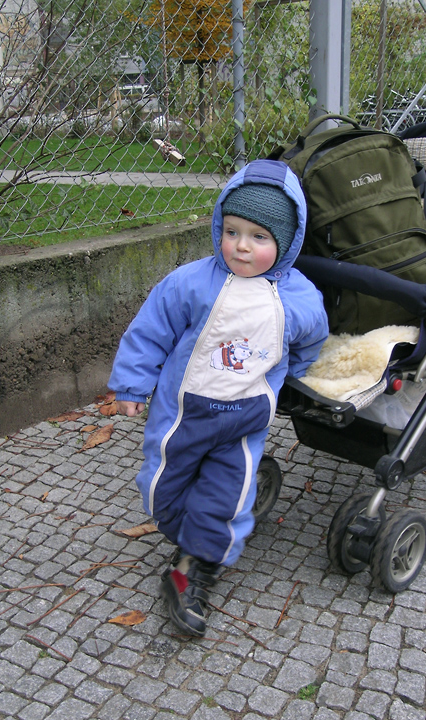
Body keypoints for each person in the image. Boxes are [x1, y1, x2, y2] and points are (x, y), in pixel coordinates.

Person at [108, 158, 329, 636]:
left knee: (225, 497)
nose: (241, 246)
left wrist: (297, 373)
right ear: (218, 227)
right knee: (163, 492)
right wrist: (132, 384)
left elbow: (310, 339)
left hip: (243, 422)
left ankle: (192, 570)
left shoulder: (299, 298)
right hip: (182, 415)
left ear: (288, 241)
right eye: (232, 232)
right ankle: (185, 532)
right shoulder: (191, 282)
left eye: (259, 237)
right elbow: (150, 332)